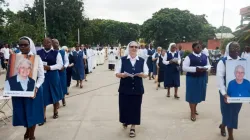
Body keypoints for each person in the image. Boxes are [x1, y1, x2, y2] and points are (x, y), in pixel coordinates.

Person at [9, 36, 45, 140]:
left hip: (33, 91)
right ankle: (28, 130)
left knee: (32, 114)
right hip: (19, 91)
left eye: (25, 45)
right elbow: (11, 75)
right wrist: (9, 88)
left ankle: (31, 135)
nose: (23, 47)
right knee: (23, 113)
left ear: (30, 45)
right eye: (21, 45)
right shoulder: (15, 57)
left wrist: (36, 88)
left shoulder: (36, 58)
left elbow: (41, 77)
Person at [115, 41, 148, 138]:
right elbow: (116, 73)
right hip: (125, 88)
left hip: (137, 88)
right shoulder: (123, 60)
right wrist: (122, 75)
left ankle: (133, 127)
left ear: (138, 49)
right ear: (128, 48)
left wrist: (142, 75)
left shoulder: (142, 60)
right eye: (132, 47)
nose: (134, 48)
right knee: (124, 106)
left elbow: (146, 73)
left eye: (136, 47)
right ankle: (126, 121)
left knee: (135, 107)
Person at [216, 42, 246, 140]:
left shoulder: (243, 61)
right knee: (229, 113)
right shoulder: (223, 62)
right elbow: (220, 79)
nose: (236, 51)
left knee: (234, 113)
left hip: (239, 93)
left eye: (238, 49)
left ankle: (223, 125)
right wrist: (224, 94)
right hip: (227, 93)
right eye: (234, 49)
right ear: (229, 50)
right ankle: (231, 136)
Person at [37, 38, 63, 125]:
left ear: (51, 43)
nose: (47, 44)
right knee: (43, 95)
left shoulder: (56, 52)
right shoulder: (39, 53)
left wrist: (50, 67)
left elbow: (60, 65)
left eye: (49, 42)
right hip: (42, 77)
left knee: (54, 94)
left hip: (53, 75)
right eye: (45, 43)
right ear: (43, 44)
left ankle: (55, 111)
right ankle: (42, 117)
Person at [183, 42, 211, 122]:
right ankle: (192, 113)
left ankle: (194, 109)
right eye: (197, 47)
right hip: (192, 78)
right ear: (193, 48)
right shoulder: (189, 57)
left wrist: (206, 68)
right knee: (192, 95)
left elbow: (209, 65)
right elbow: (184, 68)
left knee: (198, 94)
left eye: (200, 47)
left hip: (202, 78)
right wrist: (195, 69)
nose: (199, 48)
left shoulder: (205, 56)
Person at [52, 39, 69, 106]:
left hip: (62, 72)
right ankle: (57, 102)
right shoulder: (51, 52)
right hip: (54, 72)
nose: (55, 44)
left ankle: (63, 99)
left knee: (62, 85)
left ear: (58, 43)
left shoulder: (62, 52)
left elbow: (67, 61)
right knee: (55, 87)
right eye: (53, 43)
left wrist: (64, 67)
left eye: (56, 43)